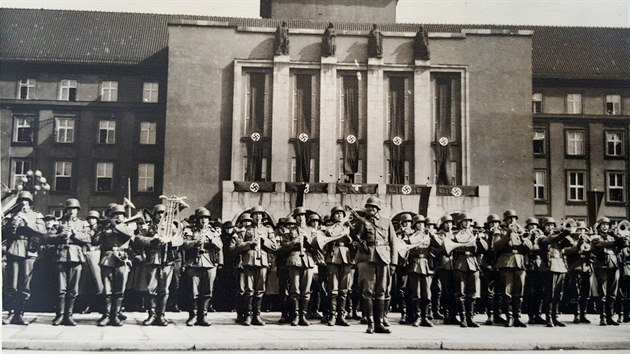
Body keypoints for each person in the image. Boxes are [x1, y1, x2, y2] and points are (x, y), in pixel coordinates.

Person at [2, 191, 46, 325]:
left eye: (26, 200)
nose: (23, 203)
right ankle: (10, 313)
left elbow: (42, 231)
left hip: (29, 249)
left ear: (30, 203)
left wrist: (28, 222)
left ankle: (19, 314)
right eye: (21, 200)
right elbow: (3, 233)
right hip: (15, 248)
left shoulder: (36, 215)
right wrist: (11, 225)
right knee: (12, 283)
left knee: (25, 284)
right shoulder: (12, 215)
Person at [355, 196, 397, 334]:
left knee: (381, 291)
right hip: (367, 258)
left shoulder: (387, 222)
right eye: (369, 207)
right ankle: (370, 323)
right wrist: (359, 242)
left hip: (383, 258)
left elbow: (393, 243)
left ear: (378, 208)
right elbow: (356, 239)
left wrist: (393, 263)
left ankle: (379, 323)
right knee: (367, 292)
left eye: (373, 207)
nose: (371, 209)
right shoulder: (361, 222)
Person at [231, 206, 277, 326]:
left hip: (263, 261)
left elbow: (274, 246)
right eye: (255, 214)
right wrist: (249, 243)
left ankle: (257, 315)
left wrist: (264, 240)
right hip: (249, 261)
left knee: (260, 290)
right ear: (252, 216)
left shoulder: (268, 230)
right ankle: (248, 315)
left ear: (263, 216)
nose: (258, 216)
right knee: (249, 289)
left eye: (260, 214)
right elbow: (237, 247)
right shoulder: (245, 230)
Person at [49, 198, 91, 326]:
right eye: (69, 209)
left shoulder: (83, 223)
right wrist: (60, 236)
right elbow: (48, 237)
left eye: (74, 209)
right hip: (61, 255)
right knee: (61, 288)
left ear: (77, 210)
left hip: (76, 256)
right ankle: (60, 315)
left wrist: (74, 235)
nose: (71, 211)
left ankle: (69, 315)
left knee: (73, 289)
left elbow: (88, 238)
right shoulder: (59, 223)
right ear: (66, 209)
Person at [93, 204, 136, 326]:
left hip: (122, 259)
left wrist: (115, 225)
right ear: (111, 216)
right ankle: (107, 315)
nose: (119, 217)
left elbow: (128, 235)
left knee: (119, 289)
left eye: (121, 215)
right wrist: (101, 228)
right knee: (107, 289)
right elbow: (95, 241)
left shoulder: (128, 226)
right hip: (108, 258)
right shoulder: (105, 227)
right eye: (116, 215)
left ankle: (116, 315)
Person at [182, 207, 223, 326]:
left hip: (209, 262)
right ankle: (193, 315)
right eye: (201, 218)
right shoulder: (190, 230)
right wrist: (195, 243)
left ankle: (203, 315)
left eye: (206, 218)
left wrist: (211, 240)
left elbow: (220, 245)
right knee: (193, 291)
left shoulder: (213, 231)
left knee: (207, 291)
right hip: (194, 263)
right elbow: (183, 244)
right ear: (197, 220)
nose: (204, 220)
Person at [493, 210, 532, 327]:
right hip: (506, 263)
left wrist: (523, 236)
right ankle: (509, 317)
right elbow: (496, 246)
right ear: (505, 220)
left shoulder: (520, 231)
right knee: (507, 292)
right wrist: (508, 234)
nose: (513, 220)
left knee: (519, 292)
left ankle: (517, 317)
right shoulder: (499, 230)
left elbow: (529, 248)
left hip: (519, 263)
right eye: (510, 218)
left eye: (514, 218)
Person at [280, 207, 317, 326]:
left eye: (303, 216)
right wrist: (294, 241)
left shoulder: (311, 230)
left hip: (308, 259)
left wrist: (309, 239)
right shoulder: (290, 231)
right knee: (294, 289)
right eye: (298, 216)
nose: (301, 218)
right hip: (295, 259)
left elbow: (319, 246)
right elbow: (284, 246)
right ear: (295, 218)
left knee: (306, 290)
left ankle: (303, 315)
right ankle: (295, 315)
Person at [448, 212, 485, 327]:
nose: (467, 223)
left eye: (469, 221)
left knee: (472, 293)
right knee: (460, 293)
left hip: (473, 263)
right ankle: (463, 318)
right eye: (465, 221)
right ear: (460, 223)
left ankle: (470, 318)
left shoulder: (475, 234)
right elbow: (449, 248)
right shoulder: (454, 234)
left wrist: (479, 239)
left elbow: (485, 249)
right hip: (460, 263)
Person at [321, 206, 354, 326]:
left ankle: (341, 315)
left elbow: (354, 240)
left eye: (341, 213)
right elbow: (329, 235)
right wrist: (340, 226)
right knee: (333, 288)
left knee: (344, 289)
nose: (339, 215)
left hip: (346, 256)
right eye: (337, 214)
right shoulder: (330, 227)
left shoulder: (348, 227)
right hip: (333, 256)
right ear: (333, 216)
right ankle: (332, 315)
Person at [406, 214, 438, 327]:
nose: (421, 225)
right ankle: (418, 317)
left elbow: (439, 245)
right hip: (415, 264)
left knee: (427, 294)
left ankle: (425, 317)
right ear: (415, 225)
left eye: (423, 223)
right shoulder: (410, 236)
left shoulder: (428, 236)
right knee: (416, 293)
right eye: (418, 223)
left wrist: (433, 235)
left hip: (426, 264)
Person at [539, 217, 571, 327]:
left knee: (558, 294)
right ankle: (548, 317)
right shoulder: (542, 236)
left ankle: (555, 317)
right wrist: (563, 233)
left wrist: (565, 233)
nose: (551, 227)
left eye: (552, 225)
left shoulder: (558, 237)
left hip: (560, 266)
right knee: (549, 293)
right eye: (548, 225)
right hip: (549, 266)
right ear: (543, 227)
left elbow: (570, 243)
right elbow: (550, 240)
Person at [591, 217, 621, 326]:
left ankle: (610, 316)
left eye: (607, 225)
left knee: (612, 292)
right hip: (601, 266)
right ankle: (602, 317)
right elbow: (603, 244)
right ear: (599, 226)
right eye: (603, 224)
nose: (605, 226)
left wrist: (620, 238)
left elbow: (623, 246)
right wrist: (616, 241)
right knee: (602, 292)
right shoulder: (595, 237)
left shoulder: (611, 237)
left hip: (613, 265)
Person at [564, 221, 594, 324]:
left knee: (585, 293)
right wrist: (578, 245)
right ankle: (576, 314)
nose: (581, 232)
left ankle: (583, 314)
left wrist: (590, 250)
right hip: (575, 269)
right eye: (579, 230)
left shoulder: (587, 240)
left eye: (583, 230)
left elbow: (593, 254)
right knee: (575, 293)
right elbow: (567, 251)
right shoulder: (569, 239)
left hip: (586, 268)